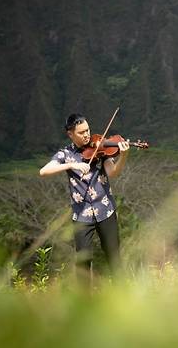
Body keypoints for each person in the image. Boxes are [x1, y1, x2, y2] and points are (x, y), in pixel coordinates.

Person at [39, 113, 130, 280]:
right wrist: (73, 164)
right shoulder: (65, 154)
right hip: (81, 215)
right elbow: (43, 171)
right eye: (81, 132)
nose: (87, 135)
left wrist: (123, 156)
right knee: (83, 262)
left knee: (114, 258)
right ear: (70, 134)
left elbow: (113, 172)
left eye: (88, 130)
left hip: (105, 211)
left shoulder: (100, 148)